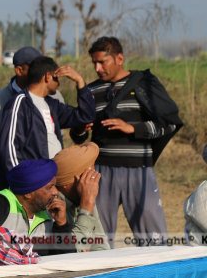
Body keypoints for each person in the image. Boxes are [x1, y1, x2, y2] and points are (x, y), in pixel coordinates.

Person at [73, 36, 183, 246]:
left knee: (154, 241)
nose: (97, 68)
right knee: (98, 240)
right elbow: (78, 136)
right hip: (100, 172)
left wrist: (133, 128)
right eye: (94, 63)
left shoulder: (144, 85)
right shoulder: (91, 91)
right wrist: (80, 128)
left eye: (102, 62)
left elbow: (168, 124)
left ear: (120, 59)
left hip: (139, 171)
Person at [0, 56, 95, 188]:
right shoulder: (20, 103)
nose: (58, 83)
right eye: (57, 78)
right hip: (33, 184)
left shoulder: (52, 105)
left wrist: (80, 82)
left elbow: (85, 116)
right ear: (48, 76)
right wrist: (24, 184)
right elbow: (9, 149)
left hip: (52, 182)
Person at [0, 46, 66, 177]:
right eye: (34, 67)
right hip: (17, 182)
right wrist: (7, 177)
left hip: (52, 178)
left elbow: (59, 136)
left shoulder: (54, 97)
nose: (40, 71)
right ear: (19, 70)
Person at [53, 143, 110, 252]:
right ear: (66, 184)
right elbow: (74, 252)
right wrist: (86, 208)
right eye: (87, 176)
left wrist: (88, 204)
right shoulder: (53, 208)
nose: (94, 180)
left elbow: (100, 247)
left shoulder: (82, 196)